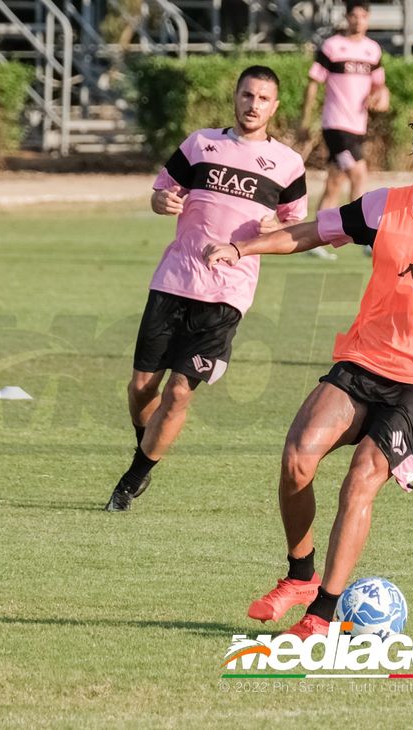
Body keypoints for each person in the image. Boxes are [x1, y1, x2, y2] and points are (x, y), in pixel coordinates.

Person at [203, 108, 413, 637]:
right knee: (297, 457)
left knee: (360, 480)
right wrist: (242, 247)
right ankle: (300, 576)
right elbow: (311, 232)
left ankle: (322, 614)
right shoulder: (382, 207)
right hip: (364, 360)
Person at [104, 65, 308, 512]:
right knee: (141, 388)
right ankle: (146, 446)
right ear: (235, 97)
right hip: (174, 280)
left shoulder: (288, 163)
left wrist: (274, 228)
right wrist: (161, 201)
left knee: (179, 391)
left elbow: (293, 228)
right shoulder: (200, 144)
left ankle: (131, 481)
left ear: (275, 106)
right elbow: (161, 193)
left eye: (263, 98)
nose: (253, 105)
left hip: (226, 295)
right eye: (247, 95)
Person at [301, 0, 389, 260]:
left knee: (334, 183)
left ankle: (313, 240)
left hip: (357, 125)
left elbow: (380, 86)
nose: (358, 20)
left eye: (363, 16)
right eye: (354, 15)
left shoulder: (373, 50)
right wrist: (304, 121)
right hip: (336, 125)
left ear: (368, 19)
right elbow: (313, 83)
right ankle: (365, 237)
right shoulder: (332, 46)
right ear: (347, 17)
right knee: (359, 174)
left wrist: (381, 97)